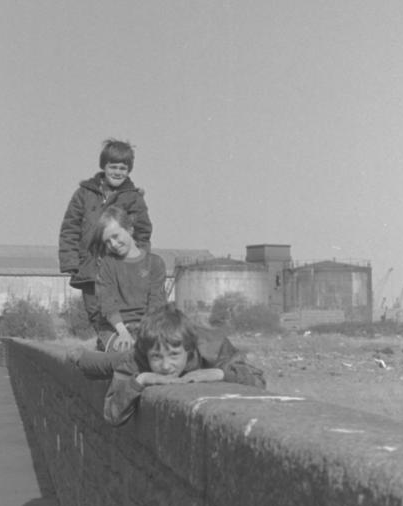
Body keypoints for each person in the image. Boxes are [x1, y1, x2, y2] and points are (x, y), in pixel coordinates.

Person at [76, 304, 266, 426]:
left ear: (189, 349)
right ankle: (77, 355)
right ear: (147, 353)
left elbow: (259, 380)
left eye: (174, 355)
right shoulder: (137, 359)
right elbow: (111, 414)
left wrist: (220, 373)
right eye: (157, 357)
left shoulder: (212, 346)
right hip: (124, 356)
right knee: (102, 363)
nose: (166, 366)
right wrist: (140, 379)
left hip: (178, 346)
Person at [58, 139, 152, 336]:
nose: (118, 172)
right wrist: (71, 262)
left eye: (123, 168)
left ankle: (123, 349)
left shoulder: (133, 198)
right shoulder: (83, 194)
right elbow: (70, 228)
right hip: (90, 266)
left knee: (118, 311)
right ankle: (106, 348)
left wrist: (138, 263)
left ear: (129, 170)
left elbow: (143, 232)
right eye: (113, 167)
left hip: (119, 268)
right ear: (104, 166)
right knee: (95, 312)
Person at [91, 207, 167, 350]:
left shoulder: (155, 263)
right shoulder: (108, 264)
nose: (113, 244)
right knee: (126, 353)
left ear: (130, 230)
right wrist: (124, 333)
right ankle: (86, 360)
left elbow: (156, 303)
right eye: (107, 241)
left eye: (115, 236)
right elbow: (107, 303)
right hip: (115, 328)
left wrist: (144, 332)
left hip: (147, 326)